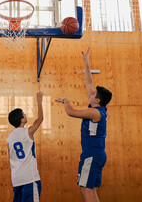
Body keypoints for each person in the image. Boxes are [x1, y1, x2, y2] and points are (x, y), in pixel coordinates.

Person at [56, 47, 112, 202]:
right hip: (97, 154)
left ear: (97, 100)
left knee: (85, 189)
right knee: (91, 190)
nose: (91, 92)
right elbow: (88, 82)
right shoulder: (98, 108)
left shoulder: (94, 113)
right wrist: (86, 62)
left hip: (91, 155)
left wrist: (66, 101)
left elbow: (71, 112)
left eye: (93, 94)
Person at [7, 91, 44, 202]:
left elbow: (10, 158)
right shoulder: (28, 132)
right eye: (24, 114)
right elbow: (40, 119)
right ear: (22, 120)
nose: (26, 115)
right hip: (29, 178)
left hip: (16, 179)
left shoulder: (9, 138)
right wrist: (39, 102)